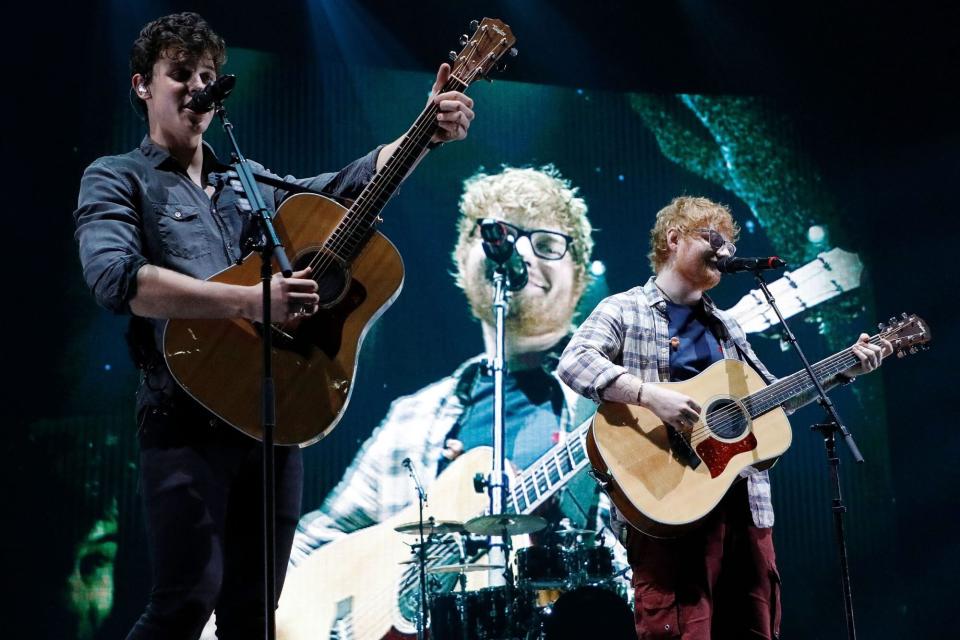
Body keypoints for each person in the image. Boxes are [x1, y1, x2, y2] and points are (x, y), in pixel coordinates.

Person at [72, 11, 475, 639]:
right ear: (142, 86)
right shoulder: (116, 177)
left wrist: (421, 132)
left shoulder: (248, 182)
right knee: (187, 598)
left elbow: (343, 193)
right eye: (180, 74)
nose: (197, 87)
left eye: (208, 75)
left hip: (275, 415)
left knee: (256, 613)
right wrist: (252, 302)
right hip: (184, 415)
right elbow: (118, 281)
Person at [290, 166, 616, 624]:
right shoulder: (414, 416)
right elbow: (317, 542)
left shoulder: (616, 404)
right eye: (499, 237)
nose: (519, 252)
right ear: (464, 257)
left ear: (579, 274)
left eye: (544, 244)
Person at [557, 196, 891, 640]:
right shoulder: (624, 309)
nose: (727, 251)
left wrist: (846, 368)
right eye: (713, 238)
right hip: (667, 503)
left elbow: (777, 399)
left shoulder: (726, 327)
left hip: (743, 505)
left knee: (755, 627)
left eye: (731, 243)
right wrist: (649, 396)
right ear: (674, 240)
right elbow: (574, 362)